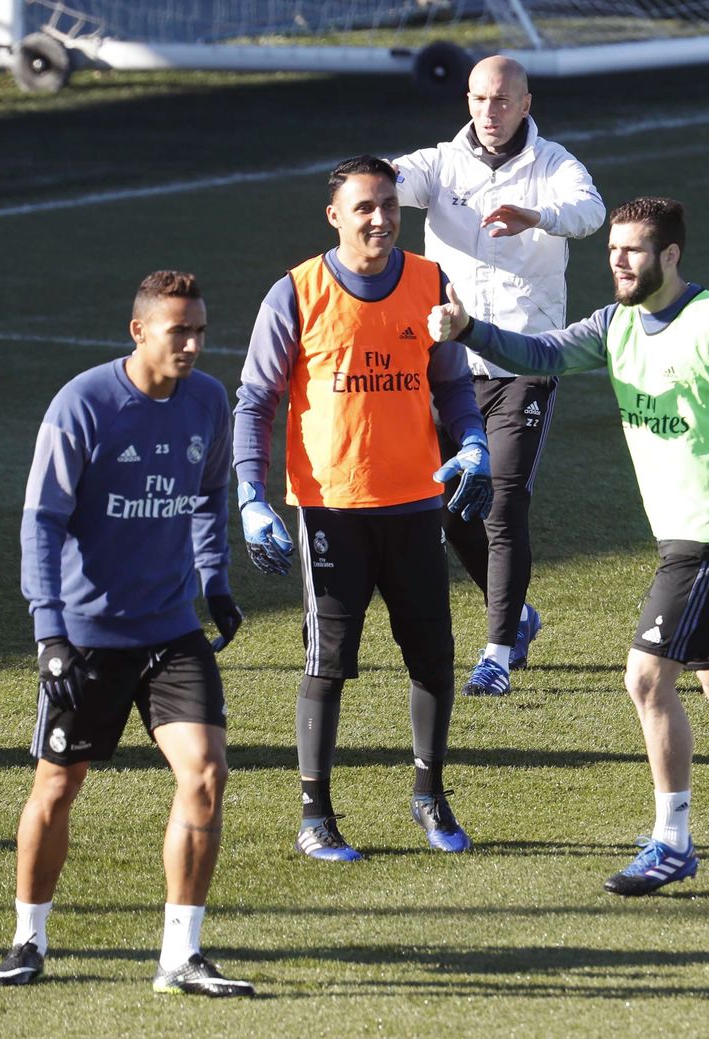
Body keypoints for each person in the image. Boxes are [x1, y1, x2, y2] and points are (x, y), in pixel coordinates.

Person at [428, 196, 709, 893]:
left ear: (669, 254)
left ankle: (672, 843)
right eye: (612, 250)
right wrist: (470, 330)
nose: (618, 261)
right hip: (688, 535)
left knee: (644, 678)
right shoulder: (616, 324)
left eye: (632, 250)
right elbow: (542, 352)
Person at [0, 272, 254, 995]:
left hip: (171, 629)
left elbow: (209, 492)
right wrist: (49, 631)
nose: (192, 345)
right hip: (88, 635)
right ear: (139, 331)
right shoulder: (83, 404)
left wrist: (214, 577)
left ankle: (180, 956)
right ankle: (29, 937)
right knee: (58, 784)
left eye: (200, 330)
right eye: (179, 331)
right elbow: (42, 520)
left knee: (205, 773)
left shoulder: (207, 400)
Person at [233, 155, 493, 862]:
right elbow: (255, 401)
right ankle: (314, 815)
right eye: (364, 208)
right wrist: (251, 495)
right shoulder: (295, 292)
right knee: (327, 663)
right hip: (332, 510)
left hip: (415, 504)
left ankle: (429, 796)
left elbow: (451, 383)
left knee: (432, 656)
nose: (380, 219)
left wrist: (472, 441)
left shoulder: (429, 281)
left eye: (389, 206)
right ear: (334, 216)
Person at [393, 54, 605, 697]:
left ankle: (496, 653)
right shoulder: (439, 164)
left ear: (526, 104)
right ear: (467, 100)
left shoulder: (553, 164)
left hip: (524, 364)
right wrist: (364, 190)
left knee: (504, 502)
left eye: (504, 100)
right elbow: (388, 181)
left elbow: (589, 211)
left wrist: (536, 216)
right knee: (452, 504)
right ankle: (519, 618)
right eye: (480, 98)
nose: (490, 111)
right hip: (449, 370)